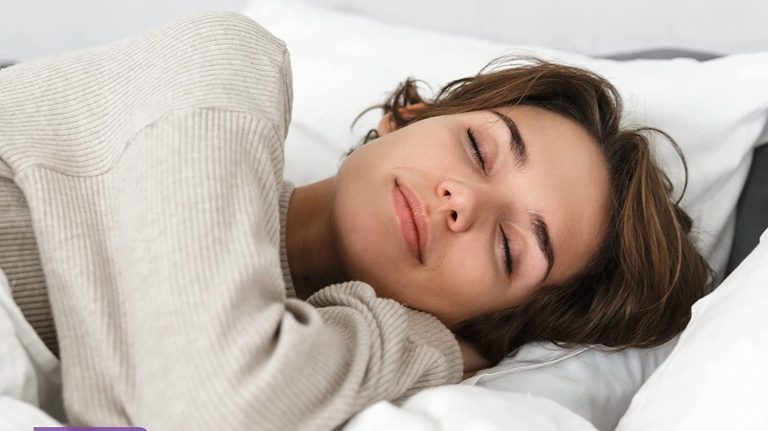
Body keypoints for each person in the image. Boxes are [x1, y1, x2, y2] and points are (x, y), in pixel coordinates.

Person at [0, 11, 712, 431]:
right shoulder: (221, 70)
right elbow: (206, 405)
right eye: (478, 148)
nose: (461, 201)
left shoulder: (303, 358)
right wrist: (425, 345)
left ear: (488, 329)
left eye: (507, 246)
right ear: (404, 116)